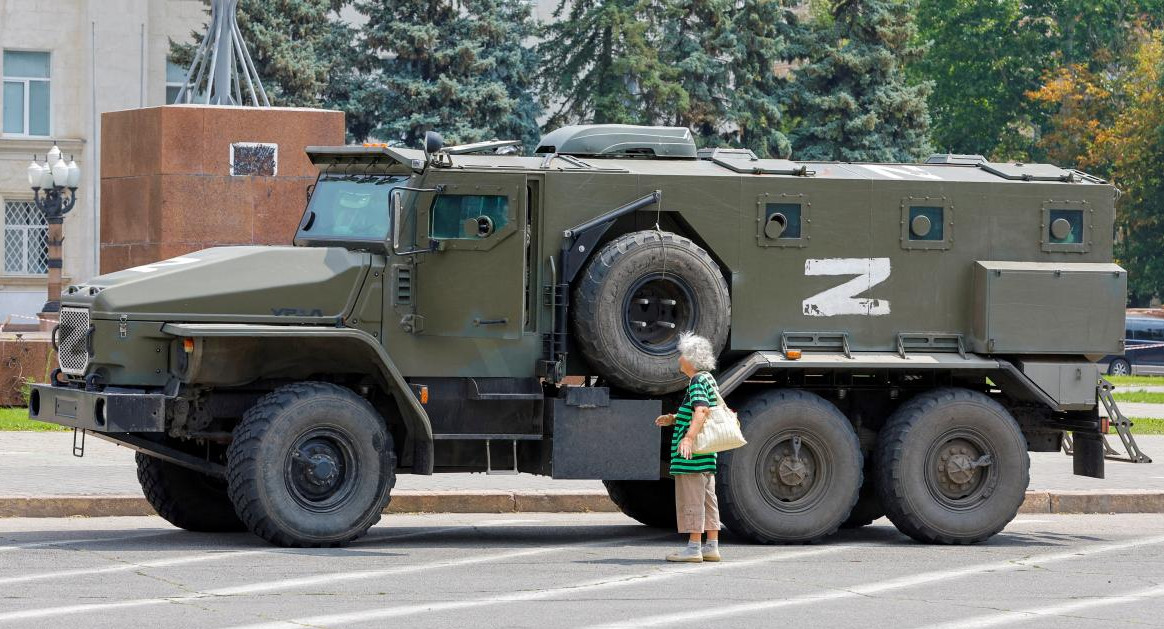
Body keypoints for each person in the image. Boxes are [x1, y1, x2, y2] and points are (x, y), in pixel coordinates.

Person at [655, 332, 722, 563]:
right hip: (707, 454)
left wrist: (688, 439)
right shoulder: (708, 379)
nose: (679, 359)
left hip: (692, 456)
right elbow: (701, 409)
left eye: (682, 354)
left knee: (692, 500)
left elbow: (701, 411)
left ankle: (694, 548)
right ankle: (711, 546)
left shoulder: (696, 382)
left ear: (691, 359)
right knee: (707, 499)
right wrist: (673, 418)